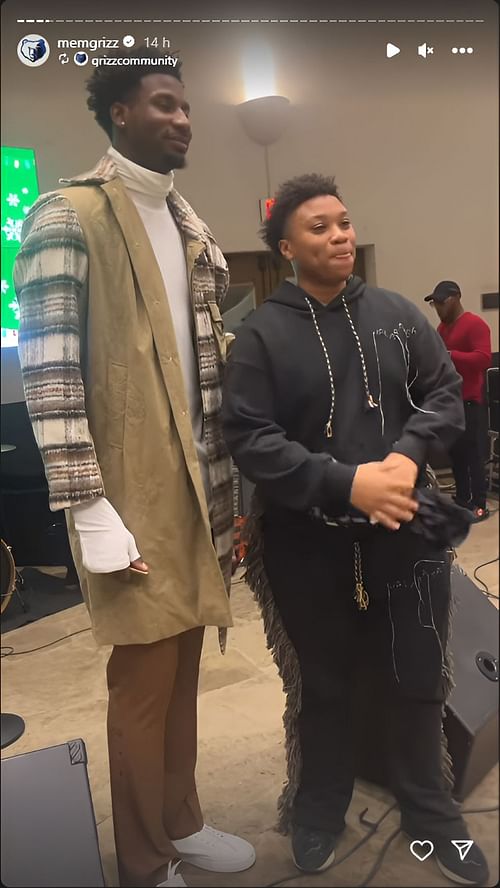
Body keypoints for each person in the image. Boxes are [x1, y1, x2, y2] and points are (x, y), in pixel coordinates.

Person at [14, 49, 255, 888]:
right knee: (142, 684)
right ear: (120, 112)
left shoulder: (190, 226)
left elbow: (209, 369)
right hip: (127, 493)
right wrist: (88, 507)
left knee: (186, 665)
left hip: (200, 486)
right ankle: (144, 862)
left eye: (186, 106)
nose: (182, 119)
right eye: (163, 104)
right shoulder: (64, 216)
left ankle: (183, 822)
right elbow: (48, 375)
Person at [222, 174, 489, 886]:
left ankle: (432, 810)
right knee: (324, 684)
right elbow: (250, 438)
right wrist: (348, 482)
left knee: (417, 677)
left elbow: (443, 397)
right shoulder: (261, 335)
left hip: (404, 531)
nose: (339, 235)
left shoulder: (400, 313)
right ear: (286, 247)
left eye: (344, 223)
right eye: (319, 227)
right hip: (305, 543)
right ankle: (318, 809)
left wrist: (404, 457)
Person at [425, 281, 492, 522]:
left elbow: (483, 359)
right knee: (457, 454)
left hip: (471, 401)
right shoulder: (443, 329)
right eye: (436, 303)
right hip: (450, 401)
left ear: (456, 298)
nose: (439, 307)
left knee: (473, 455)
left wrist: (451, 355)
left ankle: (479, 504)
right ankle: (463, 499)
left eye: (442, 302)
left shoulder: (475, 325)